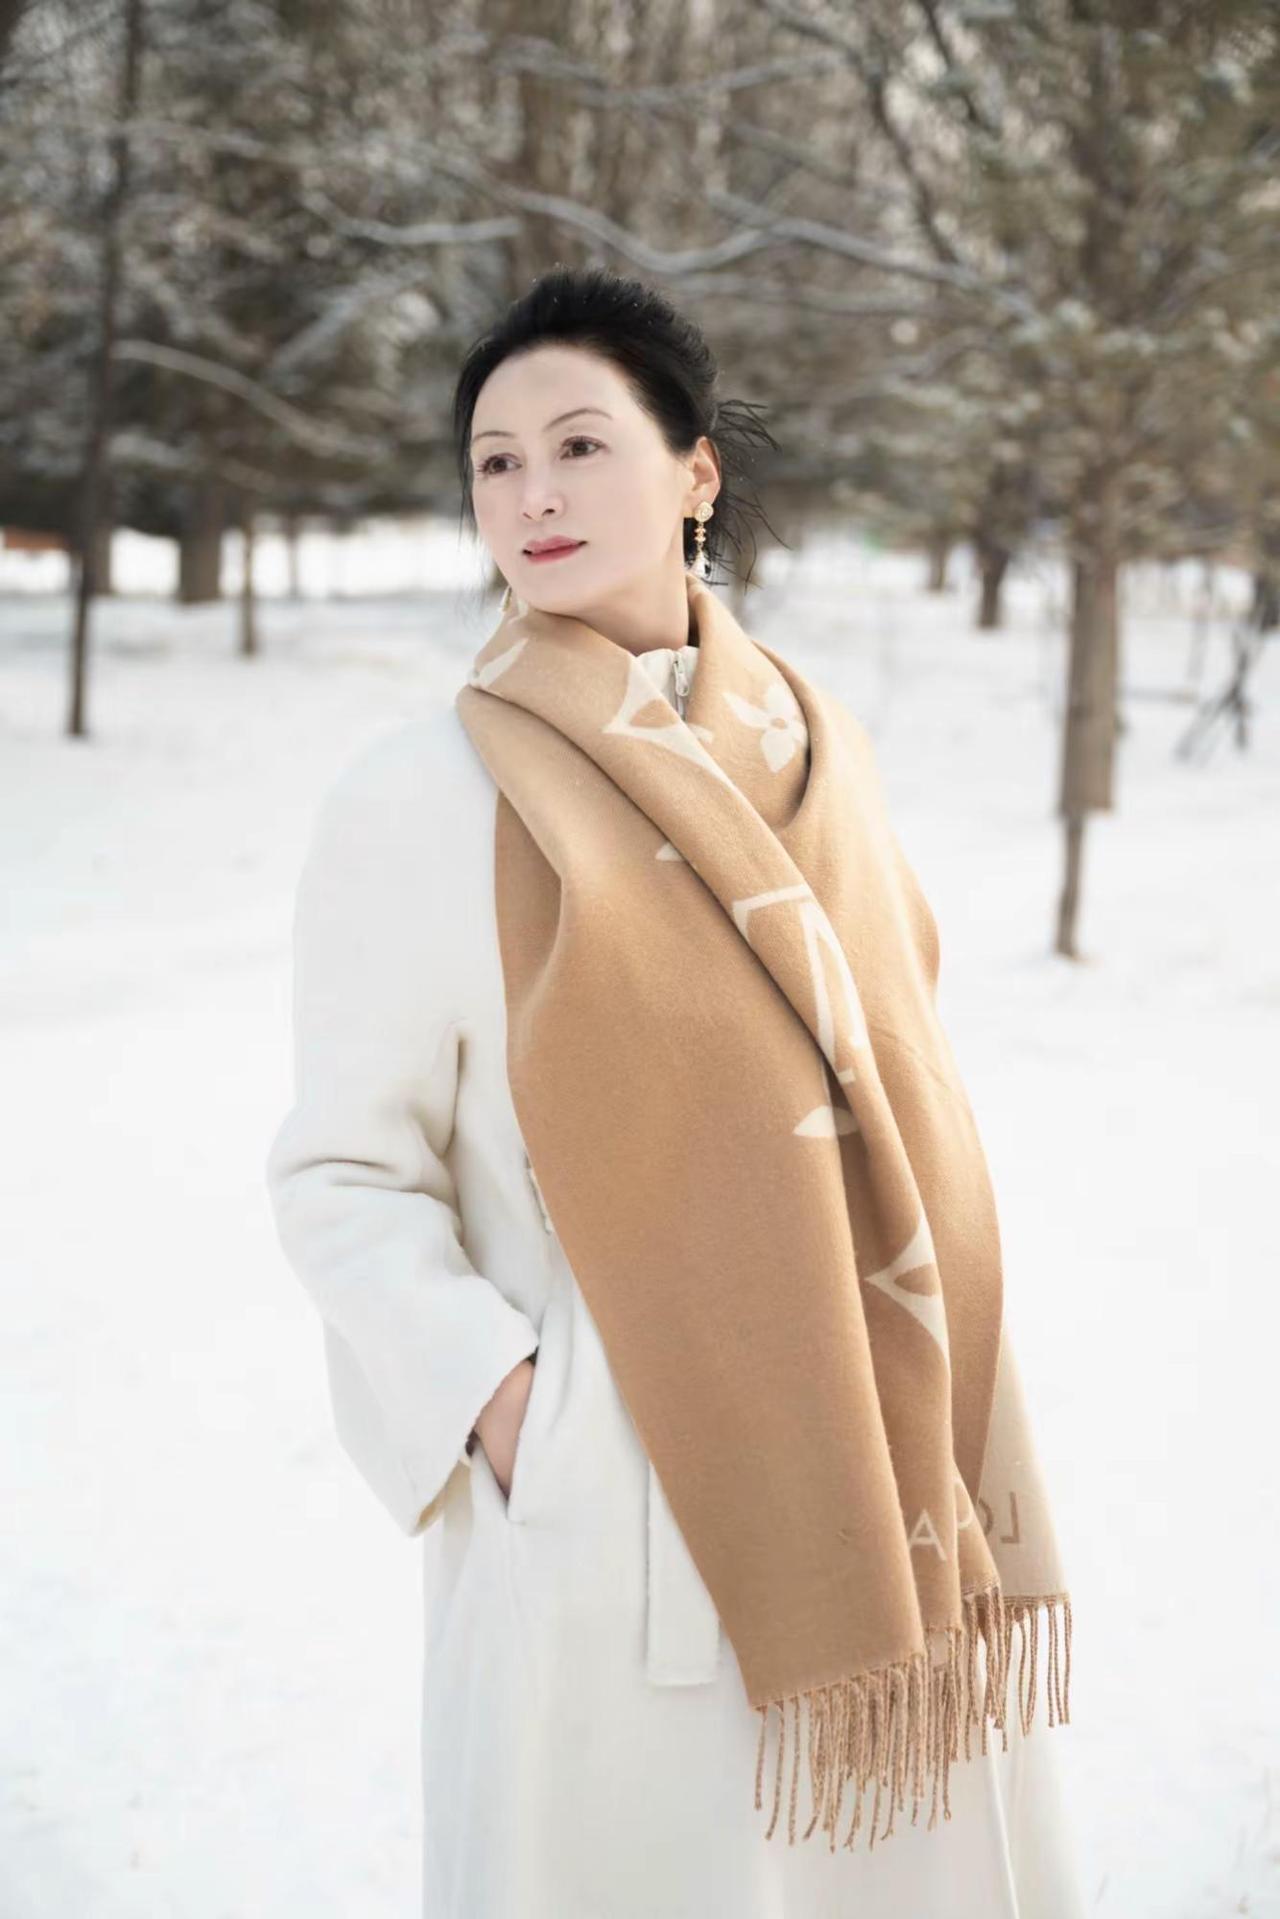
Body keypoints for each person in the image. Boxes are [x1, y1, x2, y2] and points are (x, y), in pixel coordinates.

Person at [265, 265, 1087, 1919]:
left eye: (580, 445)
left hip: (880, 1470)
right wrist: (521, 1412)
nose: (535, 494)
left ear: (695, 471)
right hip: (614, 1519)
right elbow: (342, 1176)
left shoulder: (820, 756)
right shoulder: (424, 794)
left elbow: (901, 1075)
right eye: (496, 461)